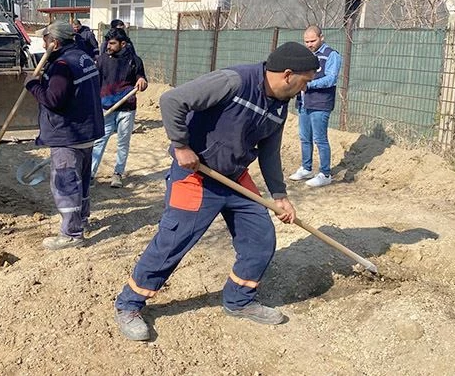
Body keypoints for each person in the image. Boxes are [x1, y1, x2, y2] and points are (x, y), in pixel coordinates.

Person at [112, 41, 319, 342]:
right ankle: (128, 304)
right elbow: (172, 100)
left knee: (261, 237)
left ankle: (239, 301)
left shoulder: (278, 106)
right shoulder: (233, 81)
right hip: (197, 174)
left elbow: (270, 151)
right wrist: (181, 144)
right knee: (173, 242)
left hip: (235, 177)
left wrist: (279, 194)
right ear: (288, 74)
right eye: (305, 81)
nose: (305, 88)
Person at [25, 21, 104, 250]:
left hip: (68, 134)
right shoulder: (84, 57)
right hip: (86, 131)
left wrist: (32, 86)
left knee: (66, 183)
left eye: (46, 39)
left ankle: (71, 234)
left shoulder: (61, 65)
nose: (43, 43)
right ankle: (83, 220)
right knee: (82, 180)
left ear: (56, 42)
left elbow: (53, 100)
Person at [91, 28, 148, 188]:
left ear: (123, 44)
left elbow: (141, 79)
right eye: (108, 42)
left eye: (112, 43)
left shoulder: (135, 60)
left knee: (123, 142)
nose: (108, 46)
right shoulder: (102, 60)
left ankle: (118, 174)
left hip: (127, 108)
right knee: (100, 141)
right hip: (106, 107)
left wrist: (142, 81)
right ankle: (90, 174)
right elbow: (95, 82)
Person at [288, 25, 342, 188]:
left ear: (321, 38)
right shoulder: (305, 56)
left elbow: (331, 79)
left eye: (313, 41)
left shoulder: (331, 55)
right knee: (305, 138)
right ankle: (306, 168)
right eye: (306, 41)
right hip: (304, 102)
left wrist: (308, 85)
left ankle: (325, 174)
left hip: (320, 103)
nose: (309, 44)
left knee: (320, 139)